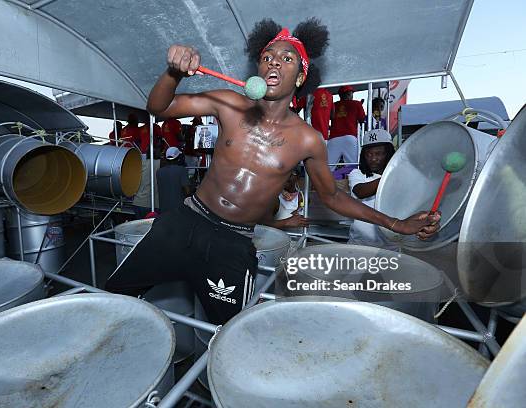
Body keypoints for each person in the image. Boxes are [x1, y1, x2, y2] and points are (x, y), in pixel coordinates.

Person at [105, 18, 440, 324]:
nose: (274, 61)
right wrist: (174, 72)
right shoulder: (228, 102)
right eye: (267, 57)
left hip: (233, 241)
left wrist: (395, 223)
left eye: (286, 58)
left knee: (228, 331)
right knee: (114, 298)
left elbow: (333, 196)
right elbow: (158, 107)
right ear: (258, 69)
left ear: (302, 76)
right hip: (186, 219)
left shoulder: (308, 139)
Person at [348, 129, 397, 249]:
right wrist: (391, 175)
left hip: (390, 246)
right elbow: (360, 192)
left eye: (379, 153)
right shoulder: (357, 174)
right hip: (359, 245)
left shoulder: (398, 176)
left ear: (388, 154)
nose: (373, 158)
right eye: (369, 154)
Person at [328, 85, 366, 170]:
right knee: (353, 167)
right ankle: (354, 183)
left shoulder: (334, 105)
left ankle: (325, 183)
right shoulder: (357, 104)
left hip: (334, 138)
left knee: (328, 167)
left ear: (340, 95)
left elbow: (329, 118)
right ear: (350, 94)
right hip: (350, 137)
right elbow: (362, 119)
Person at [131, 139, 161, 219]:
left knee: (141, 230)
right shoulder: (160, 163)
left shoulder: (140, 163)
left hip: (137, 202)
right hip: (151, 205)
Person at [156, 147, 191, 213]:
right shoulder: (182, 170)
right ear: (178, 158)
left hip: (163, 208)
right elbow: (187, 191)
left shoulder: (159, 172)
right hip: (178, 209)